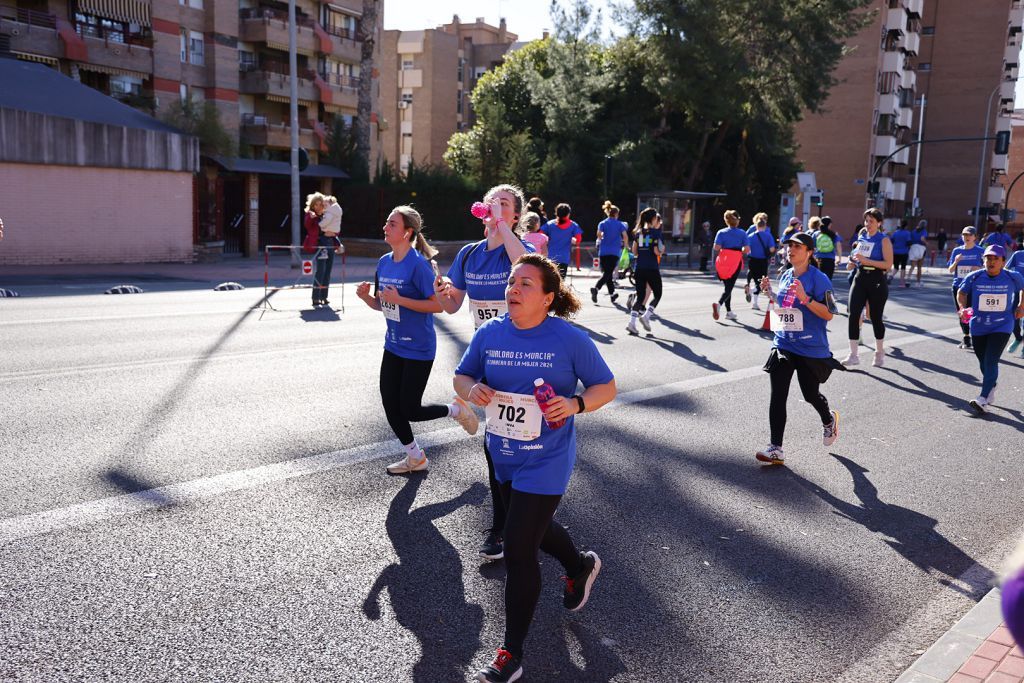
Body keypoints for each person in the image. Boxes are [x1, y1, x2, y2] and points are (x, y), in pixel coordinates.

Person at [454, 253, 616, 683]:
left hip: (547, 458)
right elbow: (462, 377)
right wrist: (475, 389)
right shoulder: (489, 333)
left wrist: (577, 403)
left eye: (526, 284)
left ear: (547, 298)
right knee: (535, 528)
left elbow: (607, 386)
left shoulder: (569, 339)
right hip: (502, 453)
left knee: (520, 546)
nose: (514, 289)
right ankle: (580, 566)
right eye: (512, 281)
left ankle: (511, 653)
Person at [434, 184, 531, 560]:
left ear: (516, 216)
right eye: (492, 202)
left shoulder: (517, 250)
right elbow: (452, 305)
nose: (495, 207)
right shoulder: (469, 254)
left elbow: (527, 265)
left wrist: (503, 227)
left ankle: (530, 512)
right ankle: (502, 526)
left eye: (504, 204)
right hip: (489, 356)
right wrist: (441, 290)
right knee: (497, 447)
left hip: (527, 357)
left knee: (524, 445)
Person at [355, 206, 480, 475]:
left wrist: (401, 299)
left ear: (407, 232)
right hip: (393, 344)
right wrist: (367, 298)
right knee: (390, 403)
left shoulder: (419, 266)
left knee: (409, 409)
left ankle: (455, 410)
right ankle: (415, 457)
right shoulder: (384, 262)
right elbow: (384, 304)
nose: (385, 228)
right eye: (387, 223)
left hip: (418, 347)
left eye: (392, 224)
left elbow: (438, 305)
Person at [755, 233, 840, 465]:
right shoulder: (785, 275)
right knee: (778, 395)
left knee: (809, 394)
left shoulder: (820, 279)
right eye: (789, 246)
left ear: (809, 252)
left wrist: (806, 299)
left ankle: (828, 420)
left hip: (810, 347)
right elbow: (785, 306)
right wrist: (771, 293)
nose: (790, 250)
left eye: (796, 246)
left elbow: (830, 314)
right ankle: (776, 448)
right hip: (784, 342)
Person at [956, 244, 1024, 412]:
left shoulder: (1012, 276)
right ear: (983, 260)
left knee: (991, 360)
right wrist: (962, 308)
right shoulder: (974, 277)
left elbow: (1023, 288)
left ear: (1002, 261)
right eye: (988, 258)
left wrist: (1021, 305)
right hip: (978, 325)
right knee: (983, 362)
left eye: (995, 259)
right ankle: (991, 386)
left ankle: (983, 398)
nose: (991, 262)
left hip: (1002, 324)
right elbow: (961, 292)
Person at [843, 208, 894, 367]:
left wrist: (867, 261)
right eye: (866, 221)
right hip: (860, 277)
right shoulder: (862, 236)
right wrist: (852, 262)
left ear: (879, 223)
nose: (868, 224)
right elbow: (856, 257)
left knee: (876, 318)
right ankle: (853, 354)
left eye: (871, 221)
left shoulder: (883, 240)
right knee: (853, 313)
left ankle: (879, 352)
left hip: (876, 279)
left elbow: (888, 265)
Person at [626, 207, 663, 334]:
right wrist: (661, 251)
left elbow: (634, 251)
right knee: (658, 294)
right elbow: (656, 251)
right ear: (653, 219)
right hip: (652, 267)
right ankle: (646, 317)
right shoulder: (655, 233)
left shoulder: (638, 233)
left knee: (640, 296)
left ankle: (631, 323)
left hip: (639, 268)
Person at [947, 226, 985, 349]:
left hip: (975, 286)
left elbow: (988, 269)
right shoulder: (957, 251)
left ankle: (977, 336)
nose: (966, 237)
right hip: (958, 285)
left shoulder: (980, 251)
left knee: (974, 312)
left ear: (975, 237)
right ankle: (966, 337)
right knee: (962, 312)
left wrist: (978, 269)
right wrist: (956, 262)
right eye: (964, 235)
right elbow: (950, 270)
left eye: (969, 235)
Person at [712, 210, 750, 320]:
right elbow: (747, 249)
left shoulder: (721, 232)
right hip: (735, 260)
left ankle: (729, 312)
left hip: (723, 260)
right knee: (729, 287)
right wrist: (739, 249)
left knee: (727, 287)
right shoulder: (742, 233)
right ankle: (718, 304)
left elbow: (716, 247)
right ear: (737, 221)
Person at [592, 201, 628, 304]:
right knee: (608, 273)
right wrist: (626, 245)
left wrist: (602, 238)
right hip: (614, 252)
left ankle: (612, 295)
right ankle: (596, 288)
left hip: (603, 252)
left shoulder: (603, 223)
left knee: (607, 274)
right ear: (616, 214)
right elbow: (625, 236)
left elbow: (598, 234)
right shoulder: (620, 224)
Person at [303, 192, 333, 307]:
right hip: (320, 246)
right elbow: (307, 225)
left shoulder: (327, 215)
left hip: (330, 244)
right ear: (312, 205)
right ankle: (316, 298)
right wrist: (312, 218)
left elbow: (335, 229)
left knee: (328, 271)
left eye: (321, 204)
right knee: (320, 271)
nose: (318, 207)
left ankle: (324, 297)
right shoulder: (310, 214)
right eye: (316, 204)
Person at [540, 203, 582, 279]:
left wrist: (547, 240)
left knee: (550, 281)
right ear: (568, 214)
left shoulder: (550, 224)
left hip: (550, 257)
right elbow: (578, 239)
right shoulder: (573, 225)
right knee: (561, 282)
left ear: (556, 213)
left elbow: (540, 234)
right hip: (564, 258)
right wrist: (573, 240)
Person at [745, 214, 777, 311]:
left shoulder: (750, 236)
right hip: (762, 261)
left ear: (756, 226)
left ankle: (754, 303)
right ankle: (751, 292)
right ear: (764, 226)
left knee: (755, 280)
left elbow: (746, 249)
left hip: (752, 260)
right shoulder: (768, 235)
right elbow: (772, 249)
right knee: (760, 283)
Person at [811, 215, 843, 280]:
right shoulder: (833, 234)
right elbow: (838, 246)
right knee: (828, 279)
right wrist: (839, 258)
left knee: (818, 279)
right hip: (830, 259)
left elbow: (812, 247)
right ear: (830, 225)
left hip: (818, 259)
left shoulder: (816, 234)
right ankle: (827, 290)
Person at [1006, 246, 1024, 355]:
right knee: (1013, 318)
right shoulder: (1017, 254)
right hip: (1017, 290)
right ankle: (1018, 338)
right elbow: (1007, 269)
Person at [889, 221, 912, 287]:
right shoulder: (907, 233)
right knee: (903, 267)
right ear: (906, 226)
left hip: (895, 252)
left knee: (896, 267)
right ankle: (902, 283)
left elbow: (891, 241)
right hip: (904, 252)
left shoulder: (895, 233)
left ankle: (891, 276)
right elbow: (909, 242)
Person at [907, 219, 929, 287]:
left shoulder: (913, 231)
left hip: (913, 247)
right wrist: (926, 243)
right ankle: (918, 282)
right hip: (921, 248)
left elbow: (910, 239)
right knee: (919, 266)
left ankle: (908, 279)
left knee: (912, 266)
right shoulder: (924, 231)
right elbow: (922, 238)